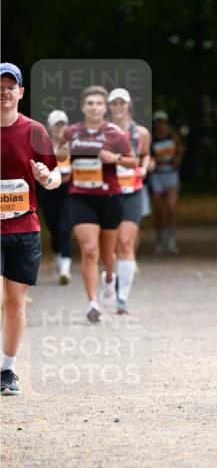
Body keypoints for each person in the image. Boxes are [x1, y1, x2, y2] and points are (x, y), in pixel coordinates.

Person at [1, 62, 61, 395]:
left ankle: (7, 370)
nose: (5, 92)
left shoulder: (34, 131)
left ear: (21, 92)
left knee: (14, 303)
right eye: (0, 87)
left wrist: (46, 177)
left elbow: (56, 176)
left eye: (11, 87)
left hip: (24, 229)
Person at [64, 86, 135, 322]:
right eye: (90, 103)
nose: (94, 107)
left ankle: (109, 279)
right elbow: (59, 157)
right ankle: (92, 302)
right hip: (80, 197)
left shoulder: (114, 133)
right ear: (83, 107)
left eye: (98, 103)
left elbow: (133, 161)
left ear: (105, 108)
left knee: (108, 254)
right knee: (89, 250)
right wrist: (60, 155)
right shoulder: (72, 132)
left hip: (110, 198)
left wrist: (115, 158)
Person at [108, 88, 151, 313]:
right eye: (114, 103)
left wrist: (144, 168)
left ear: (128, 106)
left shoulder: (140, 133)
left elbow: (146, 155)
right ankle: (112, 281)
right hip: (109, 192)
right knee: (111, 246)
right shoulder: (102, 132)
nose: (118, 107)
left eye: (121, 103)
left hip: (133, 191)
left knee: (126, 242)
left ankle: (122, 298)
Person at [39, 109, 73, 284]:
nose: (60, 128)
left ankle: (65, 269)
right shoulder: (42, 146)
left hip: (68, 191)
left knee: (64, 228)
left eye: (63, 124)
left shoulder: (74, 145)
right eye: (56, 125)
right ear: (50, 127)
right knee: (53, 227)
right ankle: (59, 259)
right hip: (48, 191)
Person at [149, 110, 182, 254]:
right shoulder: (151, 139)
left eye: (163, 122)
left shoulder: (173, 137)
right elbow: (148, 157)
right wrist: (154, 162)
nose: (161, 125)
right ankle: (160, 239)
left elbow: (180, 152)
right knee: (159, 210)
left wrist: (177, 161)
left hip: (171, 175)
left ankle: (171, 238)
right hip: (157, 176)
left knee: (170, 207)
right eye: (158, 122)